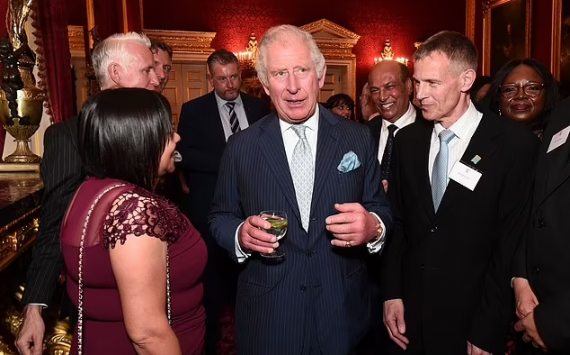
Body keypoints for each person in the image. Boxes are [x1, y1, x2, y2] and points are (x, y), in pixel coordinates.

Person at [208, 24, 392, 355]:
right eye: (279, 74)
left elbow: (380, 208)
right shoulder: (241, 146)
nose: (292, 87)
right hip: (270, 315)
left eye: (301, 71)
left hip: (341, 313)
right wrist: (239, 234)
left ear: (319, 76)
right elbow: (220, 215)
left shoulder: (357, 138)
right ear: (265, 83)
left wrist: (373, 227)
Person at [381, 31, 539, 355]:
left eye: (432, 83)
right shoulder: (408, 142)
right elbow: (398, 224)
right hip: (411, 319)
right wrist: (391, 293)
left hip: (473, 320)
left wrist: (487, 327)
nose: (420, 95)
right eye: (417, 82)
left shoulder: (513, 146)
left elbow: (508, 246)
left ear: (466, 79)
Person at [15, 32, 159, 355]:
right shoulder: (68, 137)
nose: (157, 78)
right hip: (99, 302)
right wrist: (35, 308)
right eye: (147, 70)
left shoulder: (153, 131)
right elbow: (55, 223)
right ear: (118, 74)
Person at [60, 88, 206, 355]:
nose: (177, 138)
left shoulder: (90, 190)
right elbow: (147, 335)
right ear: (138, 140)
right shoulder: (135, 210)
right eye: (166, 131)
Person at [176, 48, 269, 354]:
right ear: (209, 79)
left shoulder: (258, 107)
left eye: (234, 77)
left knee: (251, 280)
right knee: (212, 282)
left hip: (253, 207)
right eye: (222, 79)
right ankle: (213, 341)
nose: (230, 85)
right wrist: (232, 160)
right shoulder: (193, 110)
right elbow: (184, 156)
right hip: (210, 207)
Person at [512, 97, 570, 355]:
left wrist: (556, 322)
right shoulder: (564, 110)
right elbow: (538, 205)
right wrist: (521, 280)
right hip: (535, 309)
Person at [365, 60, 420, 190]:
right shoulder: (364, 133)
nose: (382, 97)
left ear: (408, 86)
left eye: (389, 87)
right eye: (375, 90)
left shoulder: (431, 129)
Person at [483, 58, 560, 139]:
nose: (520, 96)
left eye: (532, 88)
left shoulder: (561, 140)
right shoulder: (481, 141)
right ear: (498, 97)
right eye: (510, 89)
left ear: (547, 93)